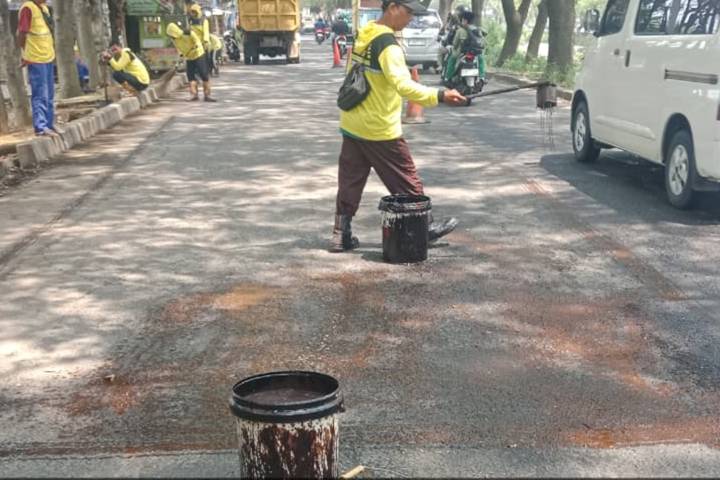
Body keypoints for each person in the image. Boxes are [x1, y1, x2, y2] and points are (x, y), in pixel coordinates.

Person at [331, 0, 467, 252]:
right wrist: (440, 95)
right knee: (407, 180)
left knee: (349, 181)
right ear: (392, 7)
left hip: (352, 122)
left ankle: (341, 234)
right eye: (408, 12)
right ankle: (424, 228)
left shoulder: (365, 33)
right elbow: (403, 85)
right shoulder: (388, 45)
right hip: (379, 128)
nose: (410, 19)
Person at [16, 0, 59, 136]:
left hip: (48, 56)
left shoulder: (44, 8)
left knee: (50, 93)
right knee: (40, 94)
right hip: (35, 57)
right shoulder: (27, 8)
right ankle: (41, 126)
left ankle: (49, 123)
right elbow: (22, 33)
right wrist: (24, 53)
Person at [166, 22, 216, 102]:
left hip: (199, 54)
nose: (171, 37)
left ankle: (207, 95)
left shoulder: (187, 33)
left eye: (171, 34)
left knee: (204, 75)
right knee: (190, 76)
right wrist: (181, 55)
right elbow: (179, 48)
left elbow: (196, 39)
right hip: (189, 57)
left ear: (175, 31)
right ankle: (194, 95)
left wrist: (196, 45)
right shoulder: (174, 40)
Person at [443, 9, 475, 83]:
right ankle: (482, 77)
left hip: (461, 52)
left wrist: (453, 47)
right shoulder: (476, 29)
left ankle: (448, 77)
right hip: (474, 52)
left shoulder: (460, 30)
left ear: (465, 21)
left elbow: (455, 44)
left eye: (463, 20)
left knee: (451, 59)